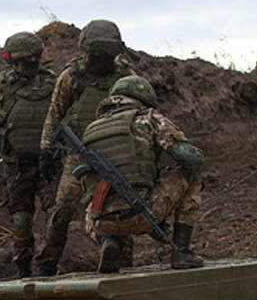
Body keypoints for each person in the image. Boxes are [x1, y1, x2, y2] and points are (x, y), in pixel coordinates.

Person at [35, 19, 135, 276]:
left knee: (118, 209)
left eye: (105, 57)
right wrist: (46, 149)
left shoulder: (125, 77)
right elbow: (55, 114)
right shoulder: (72, 77)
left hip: (115, 155)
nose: (99, 61)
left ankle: (119, 260)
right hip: (78, 155)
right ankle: (47, 264)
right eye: (96, 56)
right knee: (62, 212)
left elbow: (140, 114)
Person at [78, 75, 204, 273]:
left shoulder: (91, 130)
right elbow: (190, 158)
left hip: (100, 222)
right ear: (143, 97)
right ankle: (181, 251)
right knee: (190, 172)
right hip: (143, 213)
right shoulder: (148, 119)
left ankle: (109, 242)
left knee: (96, 201)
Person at [0, 32, 57, 277]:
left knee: (57, 214)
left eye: (33, 59)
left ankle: (48, 265)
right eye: (25, 60)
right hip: (17, 166)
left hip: (50, 163)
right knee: (21, 219)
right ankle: (24, 270)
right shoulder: (0, 89)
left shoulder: (54, 85)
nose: (30, 64)